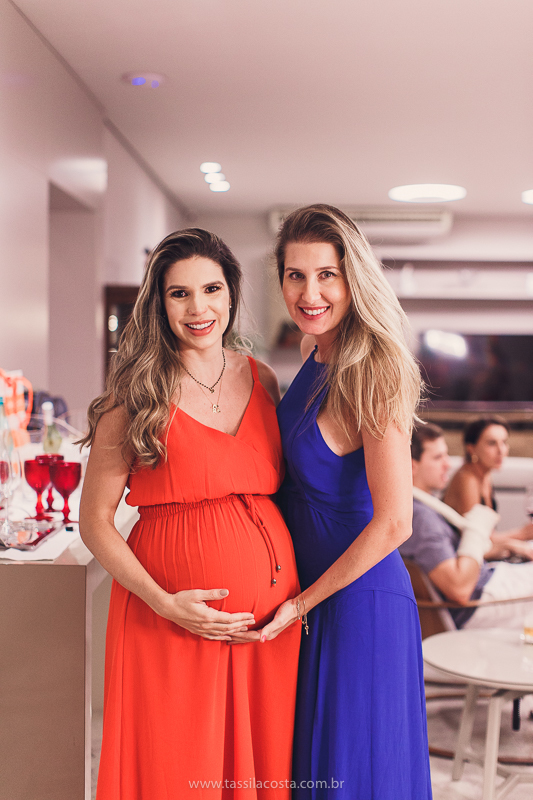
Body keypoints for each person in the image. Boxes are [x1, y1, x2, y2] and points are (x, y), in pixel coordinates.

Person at [79, 229, 301, 799]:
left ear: (231, 294)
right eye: (179, 294)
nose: (198, 308)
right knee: (177, 765)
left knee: (261, 762)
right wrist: (165, 602)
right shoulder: (135, 394)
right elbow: (95, 522)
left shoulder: (263, 379)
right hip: (167, 617)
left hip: (266, 624)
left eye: (211, 289)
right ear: (159, 303)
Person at [260, 204, 432, 799]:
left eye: (326, 274)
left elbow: (395, 523)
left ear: (352, 277)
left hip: (358, 601)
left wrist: (303, 602)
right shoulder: (315, 357)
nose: (310, 293)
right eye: (295, 275)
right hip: (315, 596)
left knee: (353, 772)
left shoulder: (374, 368)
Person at [400, 423, 533, 629]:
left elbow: (464, 554)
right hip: (477, 601)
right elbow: (459, 589)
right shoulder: (421, 518)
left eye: (446, 456)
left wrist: (509, 545)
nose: (447, 464)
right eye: (438, 458)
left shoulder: (421, 505)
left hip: (487, 579)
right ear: (411, 465)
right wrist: (476, 531)